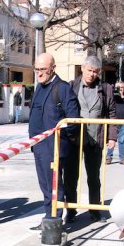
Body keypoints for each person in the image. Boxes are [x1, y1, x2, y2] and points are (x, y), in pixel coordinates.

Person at [28, 52, 79, 229]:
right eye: (36, 69)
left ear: (53, 68)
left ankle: (54, 222)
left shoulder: (62, 88)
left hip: (54, 148)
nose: (39, 73)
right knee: (45, 185)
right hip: (39, 147)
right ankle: (48, 218)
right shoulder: (39, 87)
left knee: (54, 186)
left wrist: (60, 139)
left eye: (43, 69)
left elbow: (73, 119)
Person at [67, 56, 116, 223]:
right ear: (82, 69)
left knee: (94, 177)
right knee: (71, 177)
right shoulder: (71, 86)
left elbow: (111, 114)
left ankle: (95, 210)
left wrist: (112, 136)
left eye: (95, 72)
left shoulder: (106, 88)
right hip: (74, 139)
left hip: (96, 139)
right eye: (89, 71)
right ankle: (71, 210)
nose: (92, 74)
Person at [108, 80, 124, 165]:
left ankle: (122, 158)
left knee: (121, 140)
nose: (121, 89)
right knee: (112, 139)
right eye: (119, 88)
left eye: (123, 87)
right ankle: (109, 157)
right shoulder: (112, 96)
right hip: (114, 121)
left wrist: (123, 97)